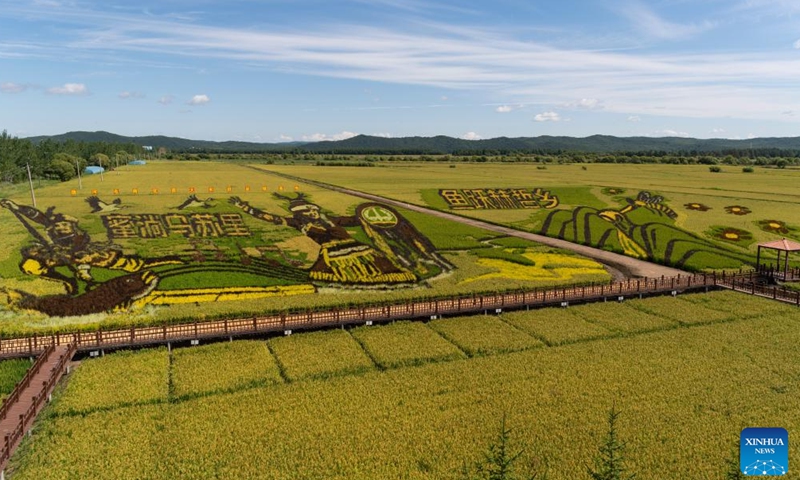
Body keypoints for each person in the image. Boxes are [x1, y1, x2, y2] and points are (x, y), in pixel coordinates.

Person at [1, 199, 178, 294]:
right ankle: (66, 282)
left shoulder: (80, 236)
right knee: (30, 265)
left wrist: (82, 269)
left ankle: (165, 262)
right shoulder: (52, 229)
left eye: (64, 225)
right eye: (57, 225)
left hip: (82, 255)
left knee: (121, 262)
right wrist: (16, 207)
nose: (60, 227)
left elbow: (80, 252)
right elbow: (36, 215)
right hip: (57, 255)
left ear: (72, 226)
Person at [229, 194, 417, 284]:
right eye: (308, 210)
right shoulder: (297, 222)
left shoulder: (331, 220)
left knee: (381, 265)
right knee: (328, 274)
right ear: (300, 214)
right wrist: (246, 208)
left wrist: (372, 214)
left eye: (313, 209)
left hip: (355, 247)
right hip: (330, 252)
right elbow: (269, 217)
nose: (312, 211)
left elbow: (355, 219)